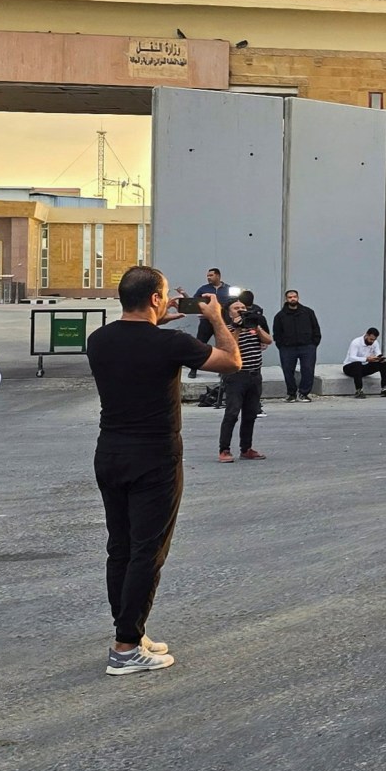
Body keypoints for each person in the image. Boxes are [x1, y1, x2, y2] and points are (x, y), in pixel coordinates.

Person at [87, 265, 241, 675]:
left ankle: (130, 632)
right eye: (166, 295)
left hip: (110, 453)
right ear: (156, 299)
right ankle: (124, 649)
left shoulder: (98, 339)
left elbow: (135, 348)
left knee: (119, 548)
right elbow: (231, 362)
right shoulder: (171, 343)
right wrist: (216, 319)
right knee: (147, 553)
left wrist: (157, 323)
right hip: (154, 458)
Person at [217, 298, 272, 462]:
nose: (240, 310)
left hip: (255, 375)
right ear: (229, 312)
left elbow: (268, 340)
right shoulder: (226, 329)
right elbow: (229, 348)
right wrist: (237, 328)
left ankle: (246, 448)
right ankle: (224, 450)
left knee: (251, 414)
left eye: (243, 307)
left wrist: (256, 327)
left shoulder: (253, 326)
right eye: (236, 308)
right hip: (236, 376)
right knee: (232, 413)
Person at [272, 289, 322, 402]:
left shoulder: (308, 312)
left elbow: (316, 328)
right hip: (287, 348)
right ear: (286, 299)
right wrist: (281, 345)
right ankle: (291, 394)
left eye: (294, 296)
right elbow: (277, 333)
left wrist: (314, 343)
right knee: (288, 371)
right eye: (290, 297)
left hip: (307, 346)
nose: (292, 299)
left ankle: (304, 393)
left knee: (308, 370)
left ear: (298, 297)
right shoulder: (280, 316)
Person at [189, 266, 225, 379]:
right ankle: (193, 369)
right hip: (206, 321)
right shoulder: (203, 289)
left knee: (222, 346)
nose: (208, 278)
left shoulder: (228, 289)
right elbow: (194, 302)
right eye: (207, 276)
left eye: (211, 275)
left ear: (218, 275)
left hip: (221, 323)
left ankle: (222, 370)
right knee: (199, 344)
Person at [343, 329, 386, 396]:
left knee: (384, 364)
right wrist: (366, 359)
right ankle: (359, 390)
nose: (372, 341)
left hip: (364, 367)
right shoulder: (356, 342)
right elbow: (352, 358)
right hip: (349, 367)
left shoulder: (375, 343)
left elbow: (378, 353)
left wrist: (380, 358)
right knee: (357, 364)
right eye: (371, 339)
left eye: (374, 339)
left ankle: (385, 389)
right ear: (366, 335)